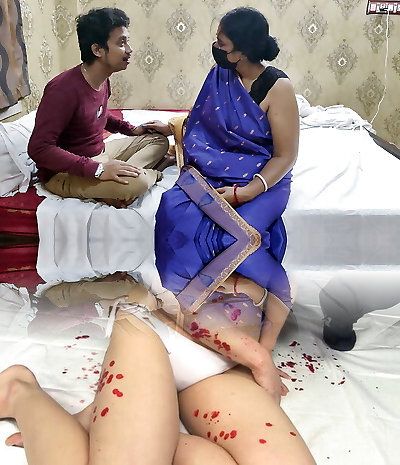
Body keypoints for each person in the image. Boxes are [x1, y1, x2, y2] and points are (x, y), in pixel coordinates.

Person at [147, 7, 299, 394]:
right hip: (212, 172)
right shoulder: (219, 75)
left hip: (260, 178)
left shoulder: (277, 88)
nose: (215, 47)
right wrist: (174, 131)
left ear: (243, 50)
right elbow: (203, 125)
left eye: (222, 43)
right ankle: (200, 303)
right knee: (173, 211)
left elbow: (285, 155)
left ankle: (262, 345)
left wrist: (248, 191)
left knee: (243, 238)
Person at [1, 303, 315, 465]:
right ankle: (18, 389)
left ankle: (131, 429)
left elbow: (281, 283)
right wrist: (257, 356)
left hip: (226, 363)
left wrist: (262, 349)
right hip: (155, 327)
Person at [28, 8, 169, 208]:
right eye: (122, 43)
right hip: (65, 173)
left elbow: (99, 114)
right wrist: (98, 170)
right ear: (97, 50)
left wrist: (132, 130)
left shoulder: (102, 80)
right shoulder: (62, 90)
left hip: (100, 154)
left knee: (158, 140)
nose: (129, 49)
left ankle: (120, 180)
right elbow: (38, 148)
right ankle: (151, 174)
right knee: (139, 182)